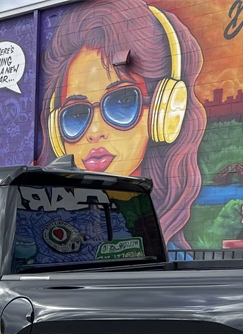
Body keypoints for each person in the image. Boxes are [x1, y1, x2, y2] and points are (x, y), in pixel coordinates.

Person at [38, 0, 206, 248]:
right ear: (56, 131)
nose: (95, 132)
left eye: (122, 101)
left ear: (165, 110)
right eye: (75, 115)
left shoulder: (170, 253)